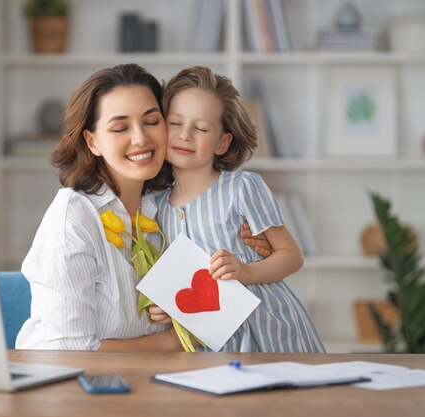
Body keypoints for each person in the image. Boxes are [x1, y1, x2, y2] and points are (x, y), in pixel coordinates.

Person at [16, 63, 269, 351]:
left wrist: (250, 244)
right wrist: (174, 340)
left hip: (156, 382)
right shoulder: (73, 221)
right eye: (120, 127)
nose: (140, 138)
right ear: (92, 141)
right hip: (74, 389)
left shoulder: (163, 207)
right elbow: (71, 354)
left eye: (151, 121)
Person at [150, 66, 325, 352]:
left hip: (268, 334)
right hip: (208, 345)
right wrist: (165, 306)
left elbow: (291, 256)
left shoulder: (243, 187)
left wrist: (246, 272)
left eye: (202, 128)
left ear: (222, 142)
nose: (185, 135)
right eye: (175, 123)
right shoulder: (155, 207)